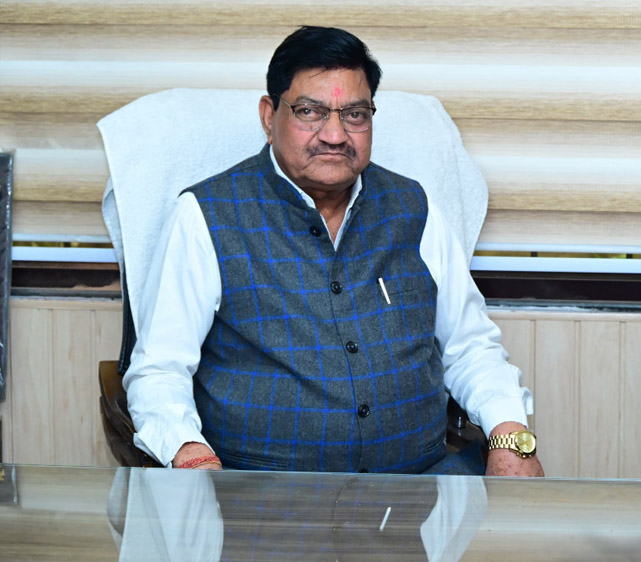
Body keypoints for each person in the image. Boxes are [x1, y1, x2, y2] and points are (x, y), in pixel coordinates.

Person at [123, 26, 543, 477]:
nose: (335, 134)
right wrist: (191, 454)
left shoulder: (415, 208)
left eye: (355, 114)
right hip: (258, 497)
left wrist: (509, 436)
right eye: (310, 112)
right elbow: (160, 371)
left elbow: (470, 347)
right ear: (268, 116)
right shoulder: (207, 215)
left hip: (421, 491)